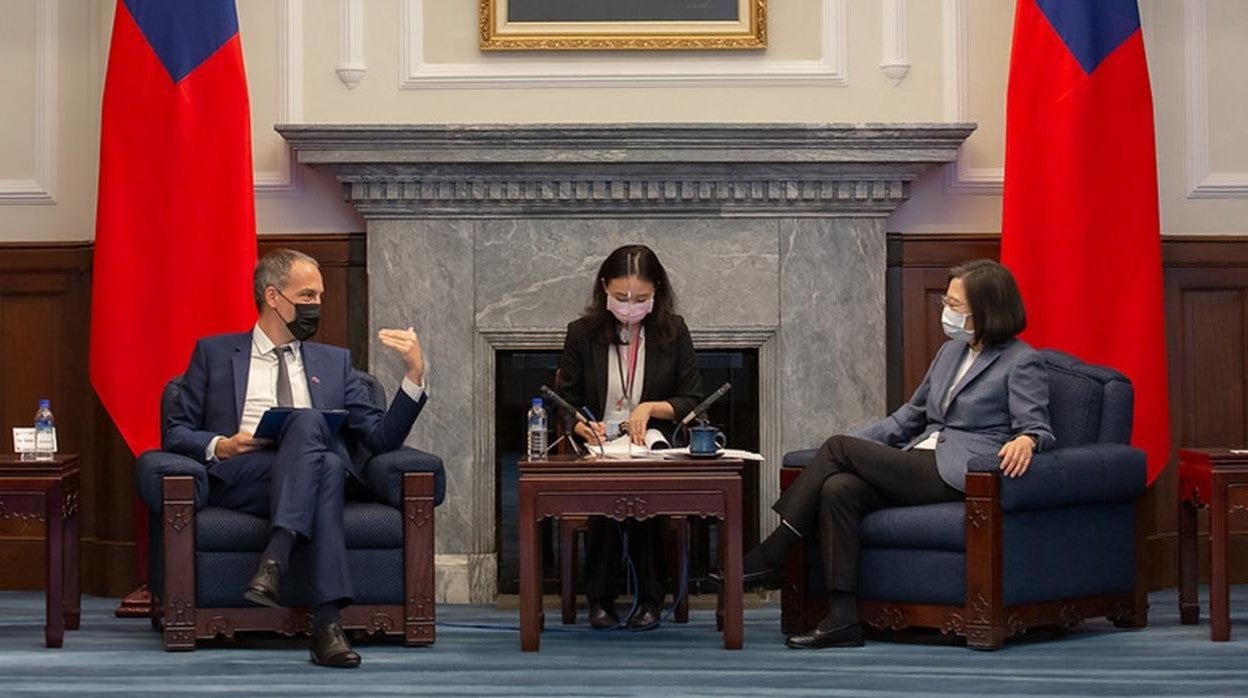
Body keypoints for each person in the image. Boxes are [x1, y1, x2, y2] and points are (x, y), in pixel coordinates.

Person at [732, 259, 1055, 649]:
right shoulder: (951, 353)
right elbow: (908, 418)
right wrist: (843, 451)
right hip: (920, 458)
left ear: (986, 309)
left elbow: (1036, 425)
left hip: (960, 471)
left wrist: (1029, 440)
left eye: (955, 306)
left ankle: (774, 552)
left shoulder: (1022, 362)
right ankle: (842, 619)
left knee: (838, 449)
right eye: (945, 303)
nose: (946, 313)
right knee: (839, 488)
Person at [163, 249, 429, 668]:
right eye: (307, 295)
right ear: (273, 296)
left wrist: (414, 375)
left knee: (310, 436)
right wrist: (221, 444)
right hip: (246, 471)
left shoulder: (334, 362)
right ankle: (327, 625)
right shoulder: (214, 354)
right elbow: (174, 431)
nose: (316, 306)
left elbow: (379, 440)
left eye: (320, 296)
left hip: (311, 470)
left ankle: (276, 560)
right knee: (319, 454)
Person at [556, 244, 704, 631]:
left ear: (657, 292)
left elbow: (693, 398)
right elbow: (564, 401)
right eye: (621, 297)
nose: (629, 305)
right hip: (600, 444)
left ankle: (651, 600)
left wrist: (651, 408)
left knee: (647, 501)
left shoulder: (674, 332)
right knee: (607, 498)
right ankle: (600, 600)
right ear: (604, 287)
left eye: (641, 298)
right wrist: (579, 425)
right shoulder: (582, 333)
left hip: (651, 444)